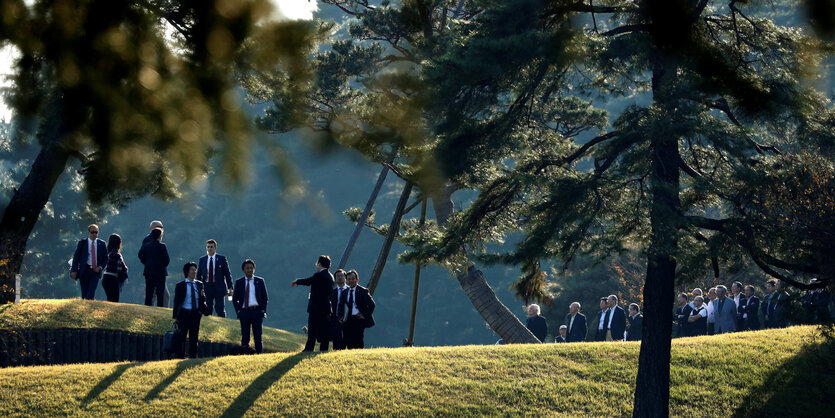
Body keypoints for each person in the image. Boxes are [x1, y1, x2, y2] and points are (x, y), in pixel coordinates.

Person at [292, 255, 335, 352]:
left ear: (319, 263)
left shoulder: (318, 275)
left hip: (316, 308)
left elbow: (308, 281)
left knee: (312, 329)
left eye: (317, 263)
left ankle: (309, 348)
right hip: (326, 307)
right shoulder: (330, 276)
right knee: (324, 330)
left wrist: (297, 281)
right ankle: (324, 349)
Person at [172, 262, 210, 358]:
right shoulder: (180, 285)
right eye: (192, 270)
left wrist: (204, 310)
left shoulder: (199, 284)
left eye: (195, 270)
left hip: (195, 314)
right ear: (187, 272)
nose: (194, 272)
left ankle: (193, 357)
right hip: (184, 314)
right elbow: (176, 302)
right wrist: (175, 317)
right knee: (182, 337)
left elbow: (203, 298)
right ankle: (180, 357)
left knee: (194, 337)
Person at [233, 259, 268, 354]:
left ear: (254, 269)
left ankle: (260, 355)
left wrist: (263, 310)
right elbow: (234, 299)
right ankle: (244, 354)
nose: (249, 270)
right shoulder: (239, 282)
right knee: (245, 335)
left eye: (251, 268)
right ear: (243, 270)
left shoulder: (260, 281)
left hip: (257, 311)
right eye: (247, 268)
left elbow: (265, 297)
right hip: (244, 312)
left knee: (258, 336)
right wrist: (238, 311)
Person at [196, 239, 234, 317]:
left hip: (219, 287)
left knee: (220, 308)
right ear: (206, 248)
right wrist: (198, 287)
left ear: (215, 248)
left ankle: (223, 323)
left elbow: (227, 274)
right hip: (207, 287)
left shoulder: (221, 259)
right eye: (208, 247)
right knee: (208, 308)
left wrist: (230, 287)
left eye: (211, 247)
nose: (210, 248)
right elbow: (199, 274)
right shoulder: (202, 260)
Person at [70, 224, 108, 300]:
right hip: (84, 270)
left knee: (91, 290)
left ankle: (88, 303)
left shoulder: (102, 244)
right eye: (92, 232)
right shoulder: (83, 243)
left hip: (95, 271)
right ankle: (85, 308)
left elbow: (105, 259)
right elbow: (76, 257)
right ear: (88, 232)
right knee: (84, 292)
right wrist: (73, 270)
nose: (94, 234)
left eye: (96, 232)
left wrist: (100, 267)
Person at [340, 269, 375, 349]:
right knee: (347, 340)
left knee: (358, 341)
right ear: (346, 280)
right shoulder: (345, 292)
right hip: (348, 319)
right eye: (348, 279)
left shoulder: (363, 291)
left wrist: (365, 315)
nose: (351, 281)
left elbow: (372, 305)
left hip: (358, 319)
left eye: (353, 279)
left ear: (357, 279)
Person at [138, 227, 170, 307]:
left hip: (149, 271)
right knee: (160, 294)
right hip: (160, 273)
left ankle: (147, 307)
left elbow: (142, 258)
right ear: (160, 236)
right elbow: (167, 260)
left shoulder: (147, 246)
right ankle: (160, 308)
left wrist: (148, 264)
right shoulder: (162, 246)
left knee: (149, 292)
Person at [101, 233, 128, 302]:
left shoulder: (107, 253)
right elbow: (121, 268)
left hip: (105, 277)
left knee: (109, 298)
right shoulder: (117, 254)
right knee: (114, 300)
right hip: (113, 279)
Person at [330, 269, 349, 350]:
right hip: (335, 319)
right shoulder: (333, 292)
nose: (340, 278)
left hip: (347, 319)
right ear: (335, 279)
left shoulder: (350, 290)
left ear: (345, 278)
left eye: (342, 276)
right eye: (337, 276)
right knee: (336, 340)